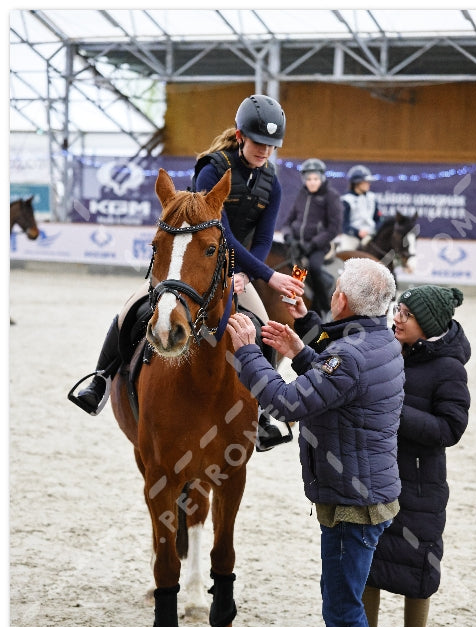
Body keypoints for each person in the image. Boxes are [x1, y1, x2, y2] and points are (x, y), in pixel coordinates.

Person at [226, 258, 404, 627]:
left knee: (342, 610)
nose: (331, 293)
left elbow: (285, 403)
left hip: (353, 504)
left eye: (336, 288)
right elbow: (340, 385)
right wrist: (301, 350)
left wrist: (249, 352)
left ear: (342, 299)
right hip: (367, 493)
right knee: (343, 603)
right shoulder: (379, 340)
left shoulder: (350, 355)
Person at [69, 94, 305, 452]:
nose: (265, 151)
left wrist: (249, 275)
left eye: (271, 146)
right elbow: (222, 233)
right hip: (195, 260)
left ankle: (260, 413)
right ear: (240, 136)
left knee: (262, 325)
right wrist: (270, 276)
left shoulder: (272, 182)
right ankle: (100, 380)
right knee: (130, 309)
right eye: (259, 143)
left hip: (237, 271)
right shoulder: (212, 170)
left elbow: (263, 238)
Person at [361, 285, 470, 627]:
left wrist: (395, 410)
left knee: (418, 566)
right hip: (375, 473)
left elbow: (450, 428)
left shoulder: (450, 369)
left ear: (427, 323)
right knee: (368, 563)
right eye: (398, 309)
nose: (397, 318)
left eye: (406, 313)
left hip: (421, 484)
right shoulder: (387, 350)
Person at [281, 158, 342, 318]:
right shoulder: (302, 194)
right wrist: (289, 237)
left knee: (314, 268)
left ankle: (323, 307)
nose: (312, 182)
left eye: (315, 179)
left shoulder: (331, 196)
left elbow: (333, 228)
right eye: (309, 179)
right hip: (296, 244)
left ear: (321, 178)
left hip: (318, 247)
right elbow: (288, 221)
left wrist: (313, 244)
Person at [340, 164, 381, 251]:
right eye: (365, 181)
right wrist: (357, 232)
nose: (368, 184)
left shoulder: (372, 197)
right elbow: (344, 224)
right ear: (357, 183)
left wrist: (375, 230)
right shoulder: (346, 200)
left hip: (371, 236)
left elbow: (378, 219)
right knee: (344, 253)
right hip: (352, 237)